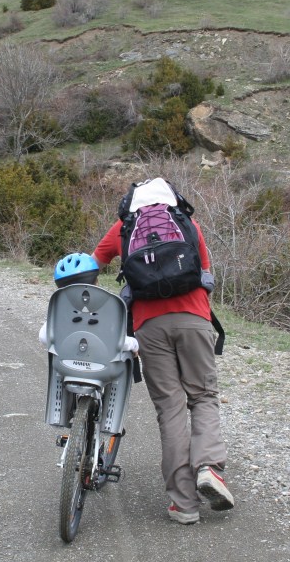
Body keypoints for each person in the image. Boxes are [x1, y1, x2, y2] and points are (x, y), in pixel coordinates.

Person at [92, 177, 234, 526]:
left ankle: (184, 504)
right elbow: (205, 275)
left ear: (132, 203)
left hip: (148, 326)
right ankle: (209, 468)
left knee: (170, 408)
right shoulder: (186, 224)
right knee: (202, 397)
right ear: (171, 198)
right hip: (195, 319)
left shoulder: (124, 229)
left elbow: (94, 264)